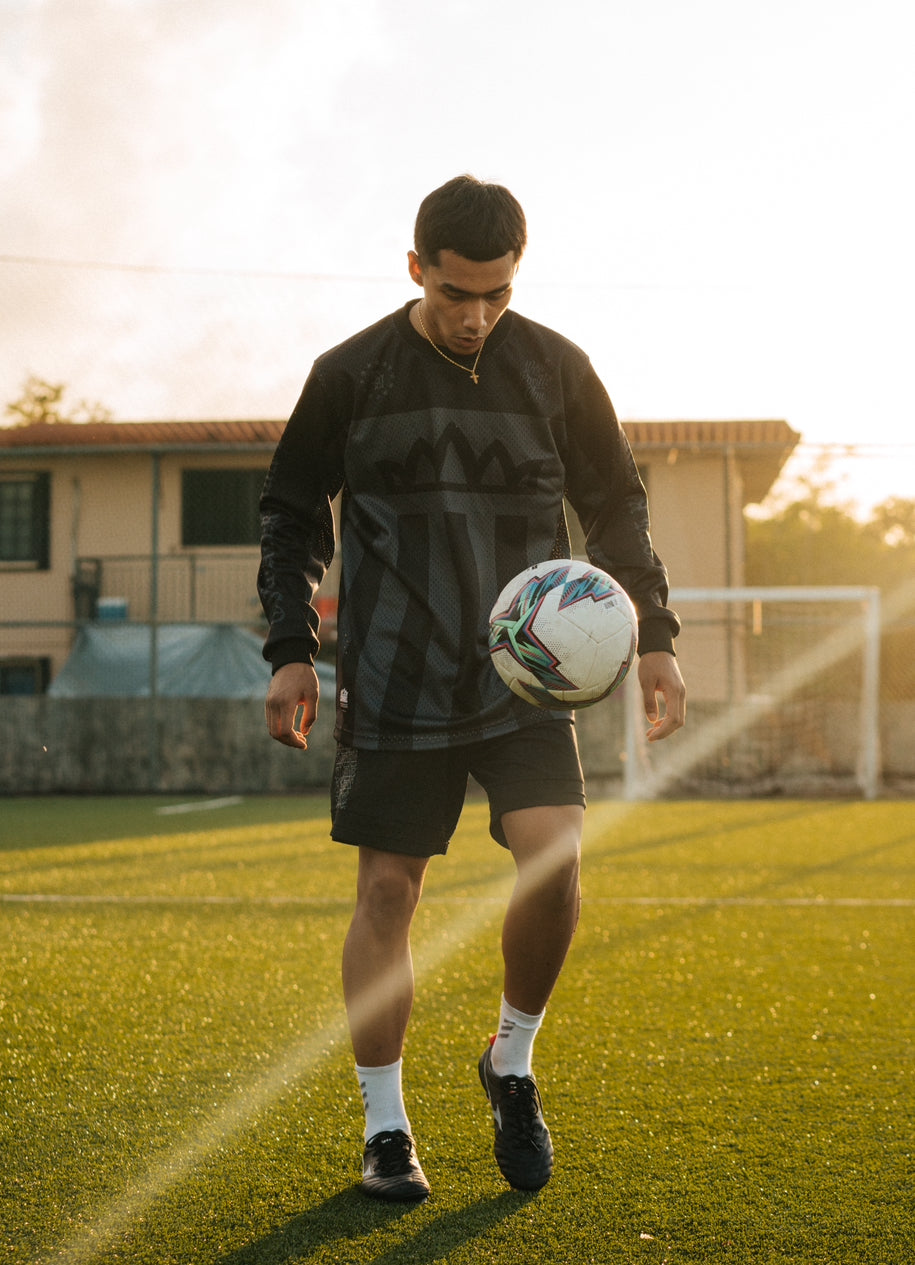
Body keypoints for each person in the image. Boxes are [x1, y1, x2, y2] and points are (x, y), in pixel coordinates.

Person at [258, 175, 686, 1202]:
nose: (477, 315)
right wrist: (288, 646)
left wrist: (656, 633)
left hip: (526, 679)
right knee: (390, 891)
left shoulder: (556, 368)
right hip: (397, 672)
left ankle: (512, 1059)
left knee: (555, 861)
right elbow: (289, 510)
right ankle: (386, 1126)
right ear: (417, 269)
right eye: (458, 293)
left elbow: (615, 503)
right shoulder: (351, 373)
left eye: (497, 293)